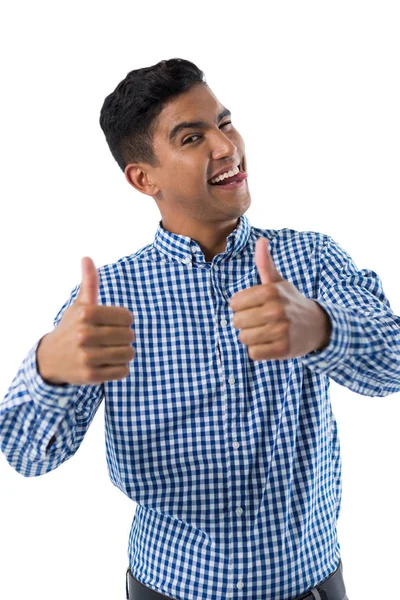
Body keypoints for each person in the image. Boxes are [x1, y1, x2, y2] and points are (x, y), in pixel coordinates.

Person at [1, 57, 399, 600]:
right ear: (144, 178)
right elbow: (28, 456)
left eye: (225, 122)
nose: (226, 147)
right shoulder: (108, 300)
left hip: (310, 586)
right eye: (192, 138)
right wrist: (47, 368)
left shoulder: (310, 260)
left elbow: (395, 366)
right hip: (167, 587)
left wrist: (323, 329)